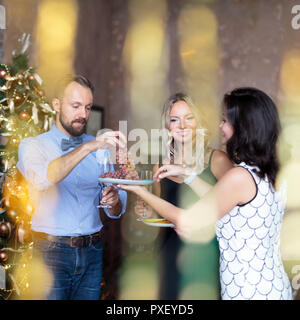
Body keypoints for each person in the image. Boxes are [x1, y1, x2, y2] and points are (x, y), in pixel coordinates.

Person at [120, 87, 293, 300]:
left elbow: (187, 221)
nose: (220, 126)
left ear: (243, 126)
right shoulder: (270, 171)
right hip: (272, 286)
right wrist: (188, 174)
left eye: (225, 121)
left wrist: (138, 189)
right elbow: (224, 200)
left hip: (249, 292)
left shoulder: (239, 176)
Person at [16, 75, 127, 300]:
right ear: (56, 104)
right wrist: (87, 148)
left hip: (93, 252)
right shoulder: (33, 145)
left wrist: (114, 201)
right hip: (50, 254)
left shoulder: (100, 150)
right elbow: (42, 179)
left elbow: (115, 210)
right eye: (75, 106)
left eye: (87, 107)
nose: (83, 115)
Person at [135, 93, 232, 299]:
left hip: (206, 255)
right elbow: (162, 211)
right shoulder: (160, 166)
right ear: (167, 127)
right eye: (174, 119)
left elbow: (234, 212)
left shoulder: (217, 159)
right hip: (168, 253)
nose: (182, 125)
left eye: (189, 118)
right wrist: (147, 210)